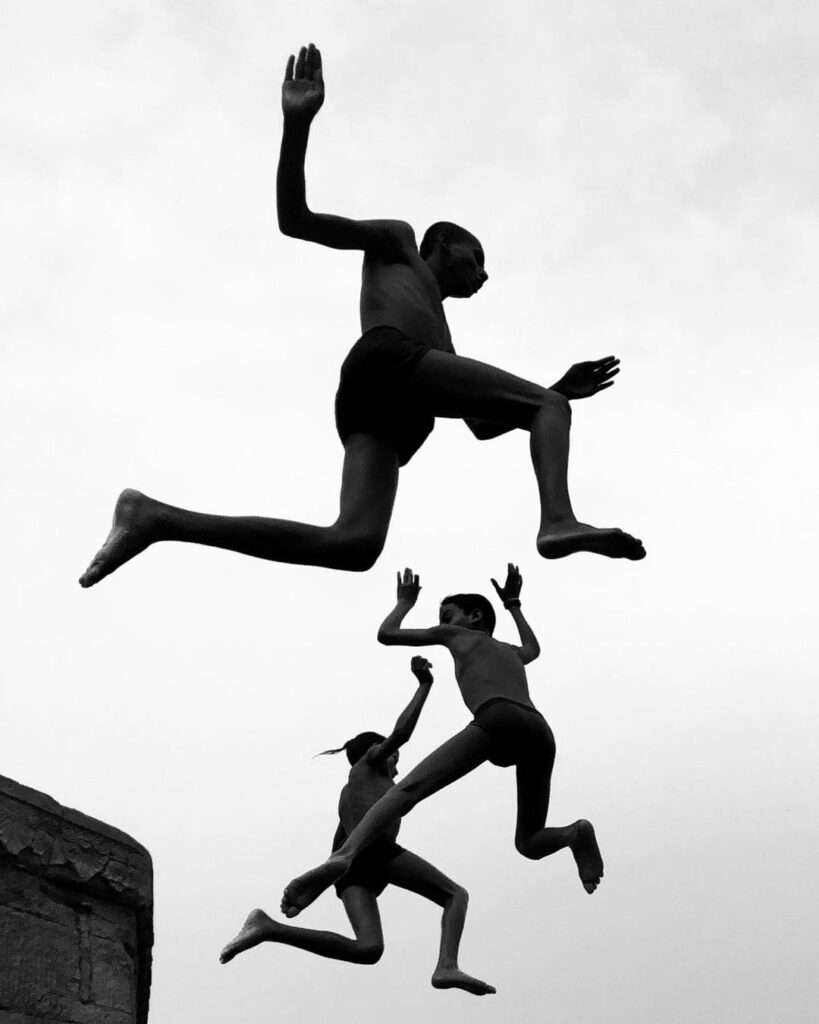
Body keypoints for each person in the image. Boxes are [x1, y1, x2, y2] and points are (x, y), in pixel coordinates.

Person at [78, 43, 644, 589]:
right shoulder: (399, 243)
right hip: (387, 360)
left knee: (353, 545)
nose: (484, 274)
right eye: (478, 257)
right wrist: (297, 124)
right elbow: (295, 219)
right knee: (549, 409)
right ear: (444, 243)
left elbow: (481, 423)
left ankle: (155, 518)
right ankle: (558, 521)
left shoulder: (442, 338)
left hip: (390, 409)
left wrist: (556, 388)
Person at [281, 565, 604, 918]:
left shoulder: (456, 635)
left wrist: (404, 603)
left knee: (405, 792)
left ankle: (343, 857)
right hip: (540, 732)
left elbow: (387, 633)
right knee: (529, 841)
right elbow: (533, 648)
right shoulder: (511, 651)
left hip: (498, 718)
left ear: (474, 616)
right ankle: (574, 833)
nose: (443, 622)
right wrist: (514, 604)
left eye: (448, 614)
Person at [219, 656, 495, 996]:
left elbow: (339, 846)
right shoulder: (369, 767)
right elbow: (402, 734)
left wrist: (316, 886)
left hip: (352, 870)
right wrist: (424, 685)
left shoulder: (351, 793)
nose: (397, 763)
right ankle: (447, 965)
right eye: (393, 756)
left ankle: (267, 928)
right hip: (376, 853)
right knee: (456, 895)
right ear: (379, 752)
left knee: (368, 949)